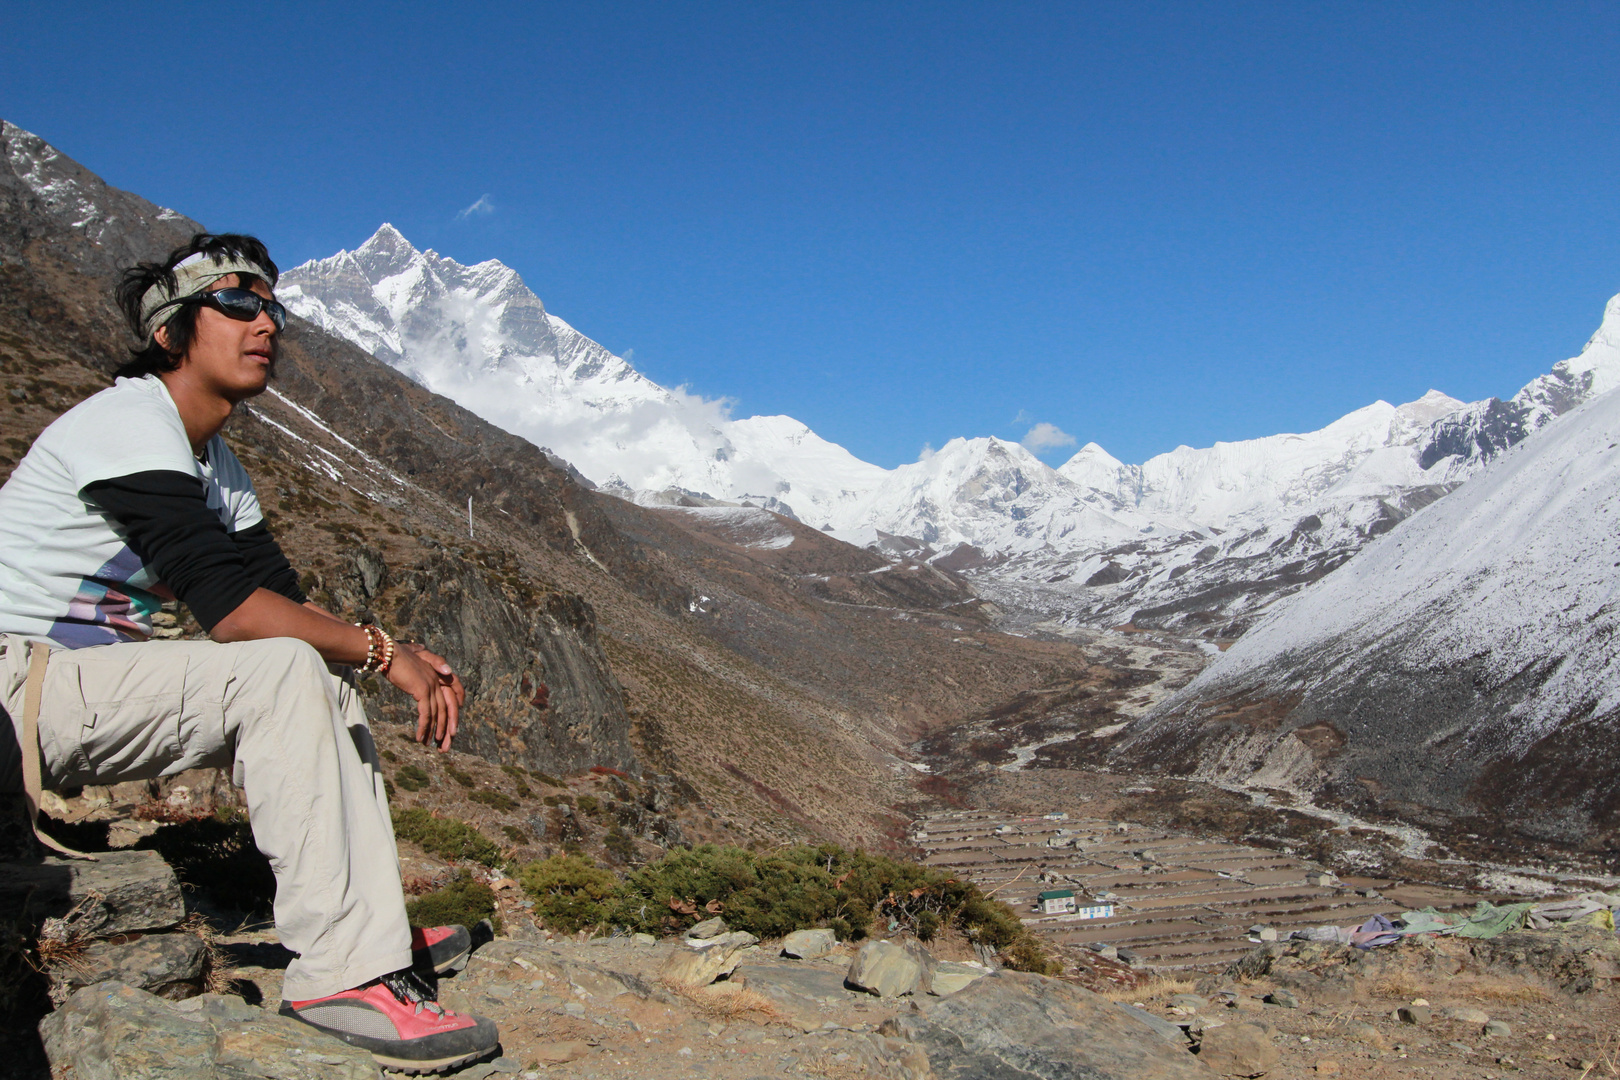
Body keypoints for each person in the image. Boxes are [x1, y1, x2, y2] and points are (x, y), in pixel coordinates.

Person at [0, 234, 499, 1073]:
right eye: (236, 304)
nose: (264, 322)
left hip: (81, 689)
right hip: (20, 681)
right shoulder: (128, 420)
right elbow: (230, 612)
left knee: (313, 664)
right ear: (171, 333)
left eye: (271, 307)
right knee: (283, 666)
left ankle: (367, 928)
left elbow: (287, 606)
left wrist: (378, 653)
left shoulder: (216, 463)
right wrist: (386, 651)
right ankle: (339, 978)